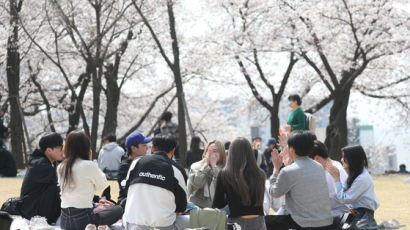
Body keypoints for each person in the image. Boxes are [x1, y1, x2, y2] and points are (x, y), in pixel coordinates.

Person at [266, 130, 333, 230]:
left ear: (292, 149)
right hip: (325, 222)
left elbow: (274, 193)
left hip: (302, 224)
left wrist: (275, 169)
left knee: (265, 221)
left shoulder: (287, 171)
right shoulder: (318, 166)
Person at [58, 131, 123, 230]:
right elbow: (102, 185)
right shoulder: (88, 165)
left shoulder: (61, 166)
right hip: (84, 221)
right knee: (118, 209)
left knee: (100, 207)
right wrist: (92, 162)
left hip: (64, 220)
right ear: (86, 148)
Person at [122, 134, 189, 230]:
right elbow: (182, 206)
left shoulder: (136, 162)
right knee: (192, 219)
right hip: (163, 226)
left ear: (152, 148)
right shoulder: (177, 170)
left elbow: (126, 189)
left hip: (133, 224)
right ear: (173, 150)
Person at [213, 137, 266, 230]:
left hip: (236, 223)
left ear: (231, 153)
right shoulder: (260, 174)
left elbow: (217, 204)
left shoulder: (225, 174)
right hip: (259, 222)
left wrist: (230, 198)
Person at [326, 145, 380, 227]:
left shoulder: (362, 178)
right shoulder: (355, 174)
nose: (341, 160)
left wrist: (337, 179)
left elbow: (345, 199)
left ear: (352, 159)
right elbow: (344, 191)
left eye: (344, 157)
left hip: (362, 215)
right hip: (354, 213)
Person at [20, 133, 63, 224]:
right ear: (49, 150)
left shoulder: (51, 162)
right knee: (58, 188)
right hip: (32, 210)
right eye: (60, 148)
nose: (62, 151)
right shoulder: (39, 164)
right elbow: (63, 181)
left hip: (39, 205)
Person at [309, 140, 349, 218]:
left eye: (307, 161)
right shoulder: (320, 170)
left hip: (337, 215)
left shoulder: (336, 170)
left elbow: (347, 201)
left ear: (317, 158)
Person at [187, 140, 226, 208]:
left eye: (215, 151)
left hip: (219, 207)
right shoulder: (196, 166)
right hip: (198, 206)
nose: (211, 154)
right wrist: (206, 166)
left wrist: (214, 167)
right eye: (209, 151)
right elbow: (197, 183)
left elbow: (220, 188)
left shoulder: (226, 169)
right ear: (205, 153)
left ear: (221, 153)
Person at [117, 132, 152, 206]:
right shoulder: (125, 167)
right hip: (127, 204)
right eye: (144, 145)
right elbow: (127, 189)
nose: (147, 147)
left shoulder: (145, 162)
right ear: (133, 148)